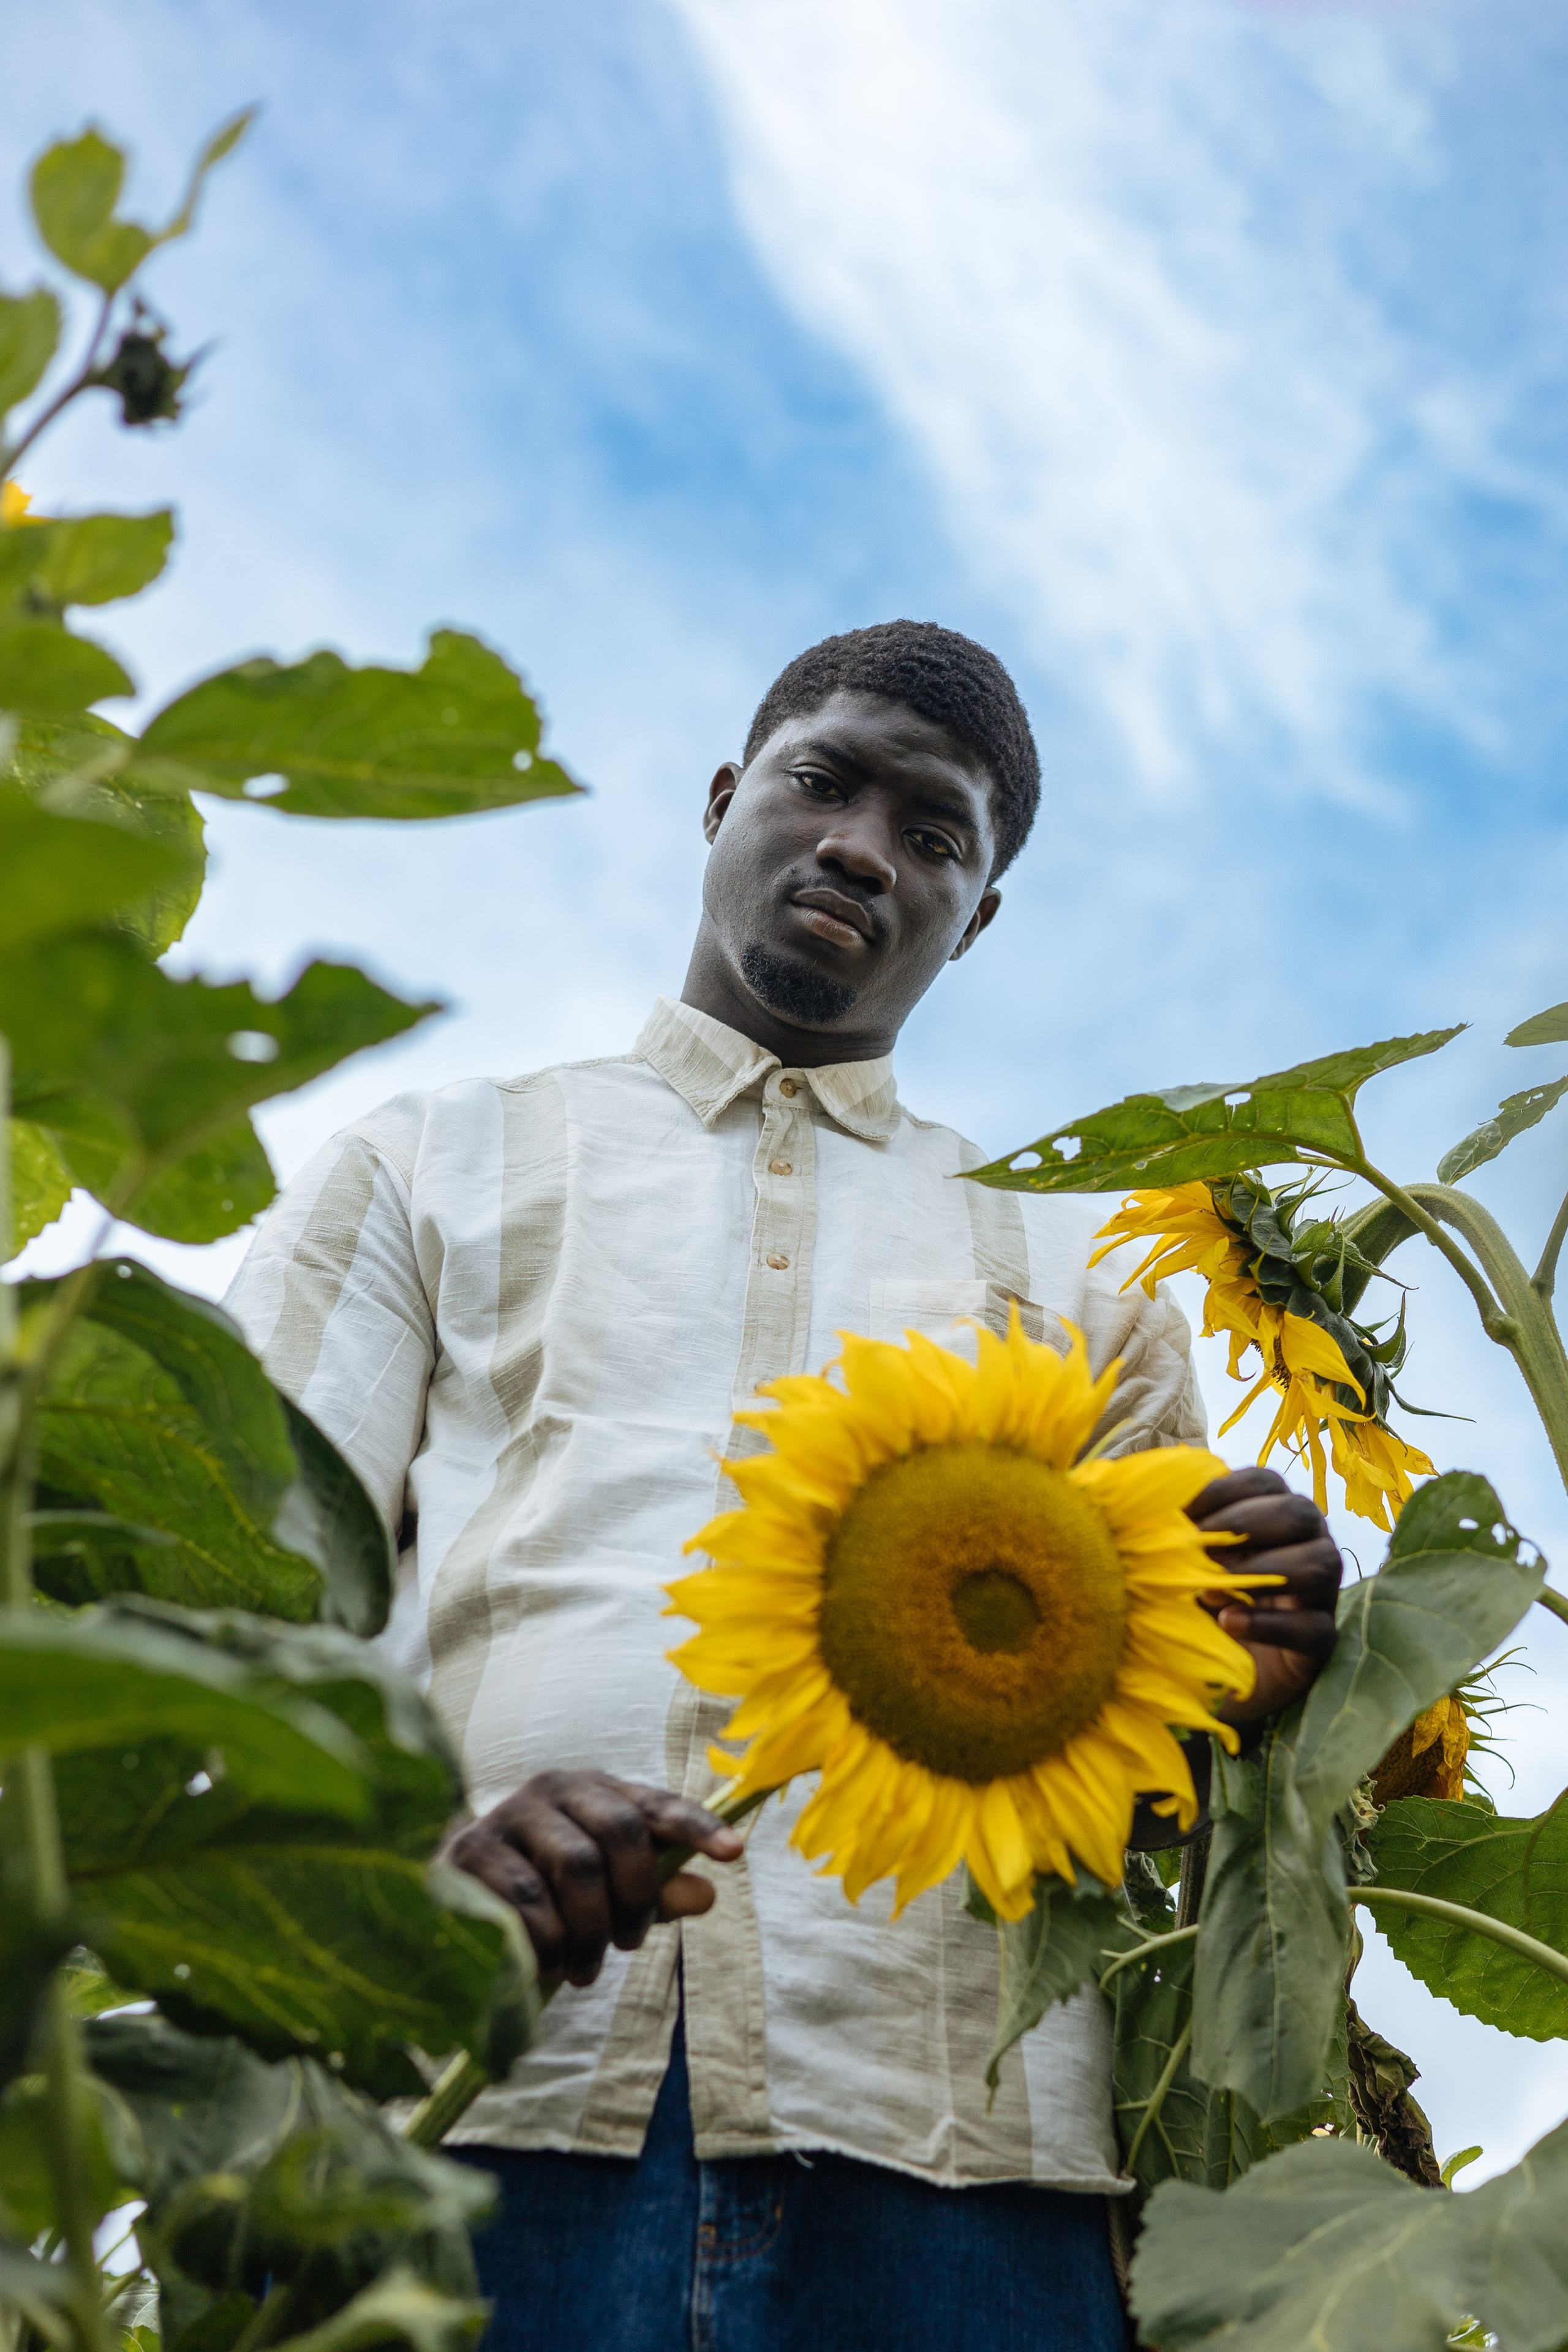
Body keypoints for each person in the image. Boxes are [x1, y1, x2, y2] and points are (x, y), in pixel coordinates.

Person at [227, 620, 1342, 2352]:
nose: (863, 849)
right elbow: (237, 1598)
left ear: (977, 915)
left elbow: (1145, 1749)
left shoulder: (1079, 1260)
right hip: (466, 2093)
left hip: (961, 2145)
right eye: (825, 781)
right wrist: (409, 1873)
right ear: (723, 797)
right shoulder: (431, 1158)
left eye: (936, 835)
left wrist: (1247, 1665)